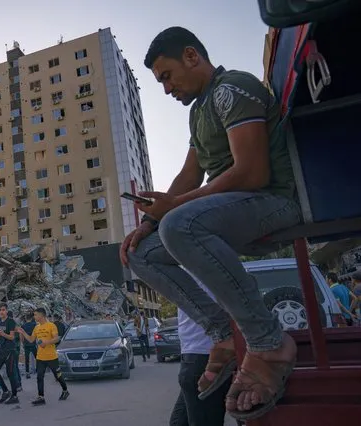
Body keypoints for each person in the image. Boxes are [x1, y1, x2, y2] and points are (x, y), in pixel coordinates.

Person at [121, 27, 301, 421]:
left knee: (180, 224)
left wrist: (173, 209)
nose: (167, 89)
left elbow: (252, 172)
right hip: (230, 212)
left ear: (191, 56)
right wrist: (148, 223)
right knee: (142, 252)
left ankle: (268, 341)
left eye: (167, 76)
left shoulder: (231, 88)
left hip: (273, 203)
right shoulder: (199, 112)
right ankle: (221, 332)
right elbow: (190, 175)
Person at [170, 284, 231, 426]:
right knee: (179, 422)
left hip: (203, 356)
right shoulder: (198, 270)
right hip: (195, 357)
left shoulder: (199, 269)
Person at [16, 307, 69, 406]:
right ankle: (41, 397)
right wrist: (23, 333)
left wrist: (46, 342)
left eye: (36, 315)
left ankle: (65, 390)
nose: (34, 317)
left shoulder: (51, 326)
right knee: (39, 377)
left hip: (52, 357)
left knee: (58, 376)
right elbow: (31, 339)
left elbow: (57, 338)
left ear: (41, 315)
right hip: (40, 357)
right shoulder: (36, 327)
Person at [0, 302, 20, 404]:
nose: (1, 312)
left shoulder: (10, 321)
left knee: (10, 373)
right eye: (0, 310)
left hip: (10, 350)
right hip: (2, 349)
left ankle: (15, 396)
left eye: (3, 310)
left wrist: (2, 333)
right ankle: (6, 391)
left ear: (6, 311)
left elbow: (12, 337)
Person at [7, 311, 23, 391]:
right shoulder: (15, 323)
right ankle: (18, 384)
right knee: (15, 366)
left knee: (14, 367)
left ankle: (17, 385)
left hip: (12, 348)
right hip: (17, 347)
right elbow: (20, 335)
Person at [21, 313, 38, 379]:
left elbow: (21, 336)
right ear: (31, 318)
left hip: (26, 344)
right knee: (37, 357)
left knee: (27, 359)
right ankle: (39, 370)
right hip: (33, 343)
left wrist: (23, 342)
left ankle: (27, 373)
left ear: (26, 318)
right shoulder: (34, 325)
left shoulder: (23, 326)